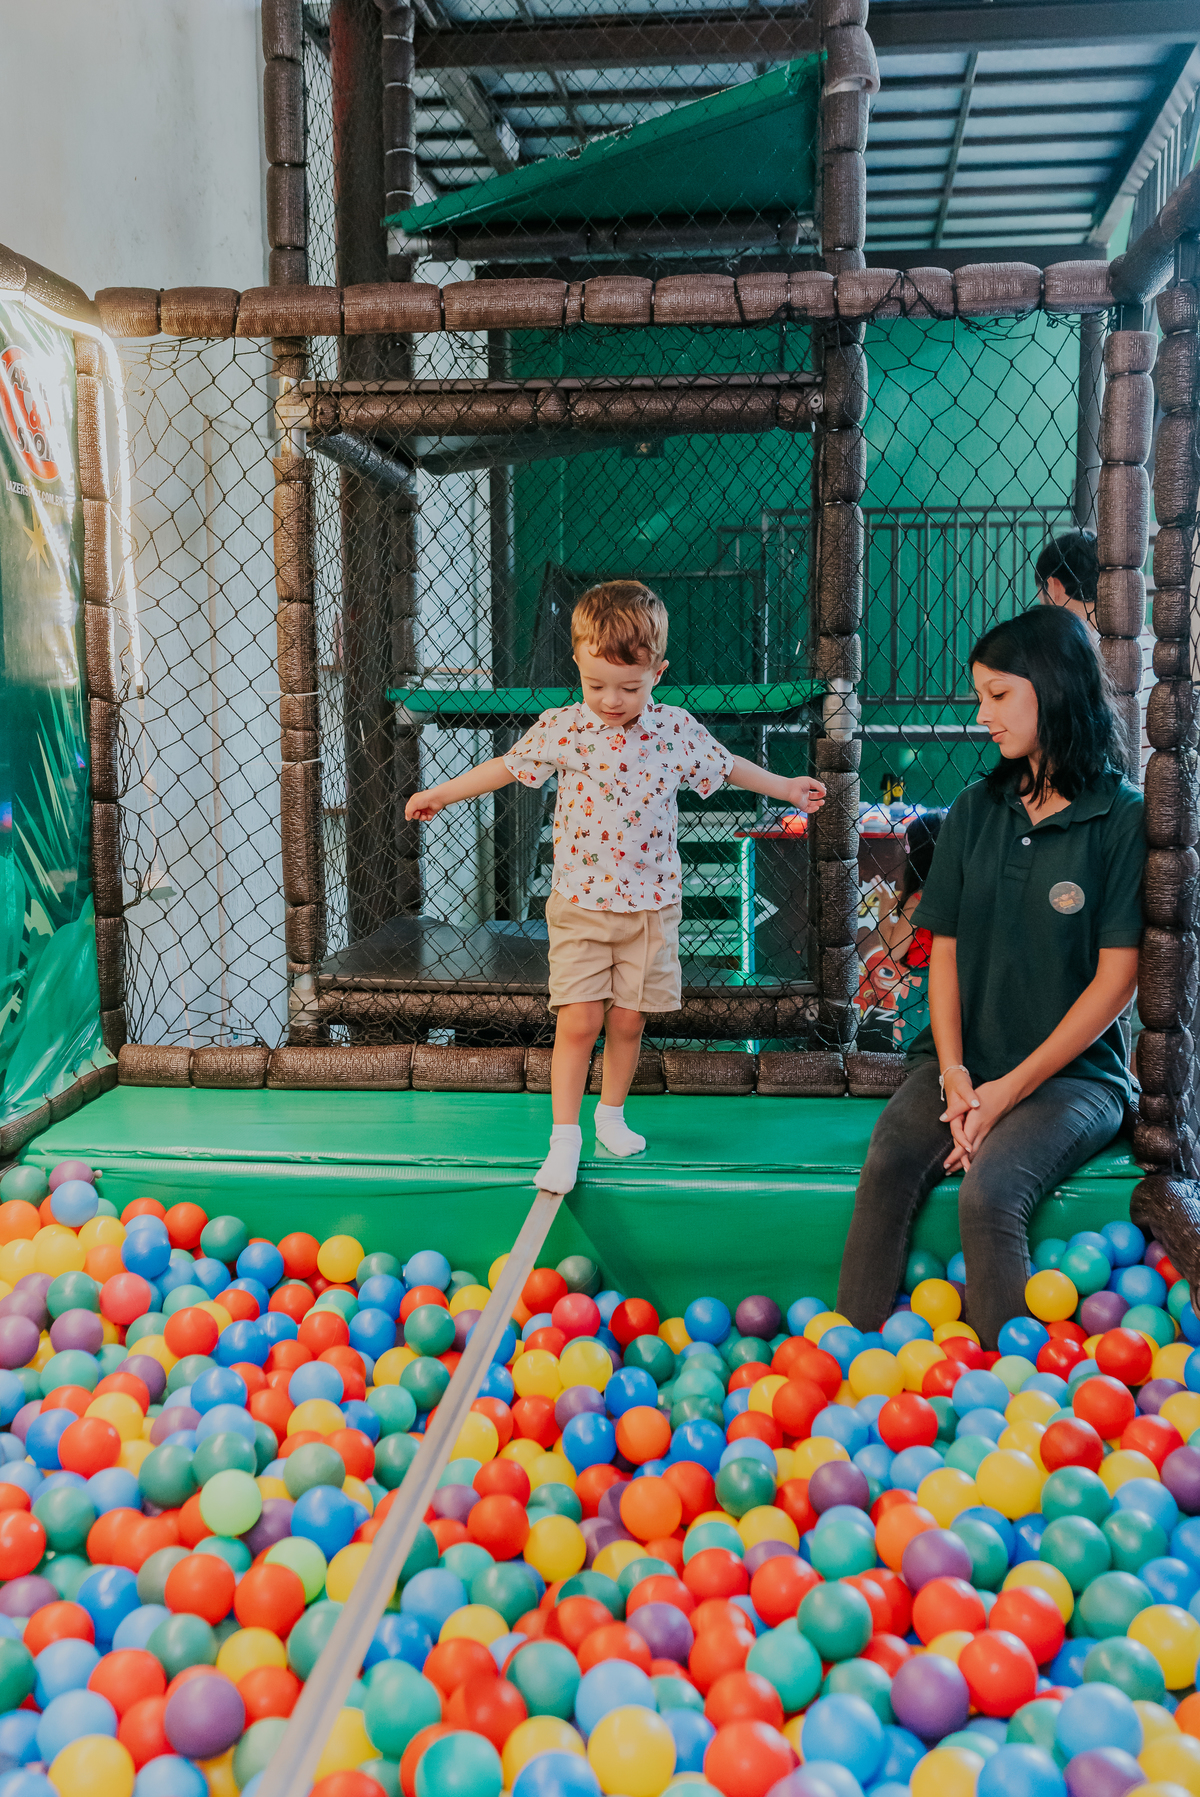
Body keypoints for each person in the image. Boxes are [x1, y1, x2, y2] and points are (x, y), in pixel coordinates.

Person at [404, 580, 827, 1194]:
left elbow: (727, 765)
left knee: (628, 1022)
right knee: (579, 1021)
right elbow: (507, 766)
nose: (611, 700)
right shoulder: (565, 728)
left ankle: (610, 1116)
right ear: (577, 665)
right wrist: (442, 793)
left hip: (652, 908)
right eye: (596, 684)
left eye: (629, 687)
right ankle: (564, 1138)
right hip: (580, 905)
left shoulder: (673, 729)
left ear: (658, 673)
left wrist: (785, 787)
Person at [837, 606, 1144, 1348]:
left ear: (1054, 686)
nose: (984, 716)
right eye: (980, 697)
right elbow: (942, 952)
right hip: (961, 1064)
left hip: (1075, 1079)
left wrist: (1008, 1091)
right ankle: (849, 1359)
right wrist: (955, 1075)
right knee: (887, 1163)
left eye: (999, 695)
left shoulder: (1121, 817)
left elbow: (1118, 981)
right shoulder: (975, 809)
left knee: (990, 1192)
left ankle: (1014, 1390)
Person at [856, 811, 945, 1054]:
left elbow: (893, 950)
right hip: (953, 984)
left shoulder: (920, 899)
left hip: (924, 988)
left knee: (920, 1054)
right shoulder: (953, 894)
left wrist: (885, 907)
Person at [1036, 527, 1098, 630]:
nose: (1041, 606)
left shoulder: (1064, 639)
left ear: (1053, 586)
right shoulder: (1121, 629)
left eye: (1041, 600)